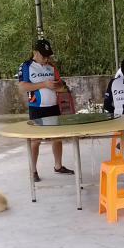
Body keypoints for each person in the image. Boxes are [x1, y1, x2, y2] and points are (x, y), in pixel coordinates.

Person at [16, 39, 74, 182]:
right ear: (35, 52)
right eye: (44, 55)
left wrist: (56, 85)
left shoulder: (51, 67)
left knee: (57, 137)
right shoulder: (26, 66)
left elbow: (60, 83)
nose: (46, 58)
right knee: (35, 139)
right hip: (37, 108)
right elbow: (23, 86)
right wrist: (44, 84)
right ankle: (33, 170)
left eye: (48, 55)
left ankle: (58, 166)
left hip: (53, 106)